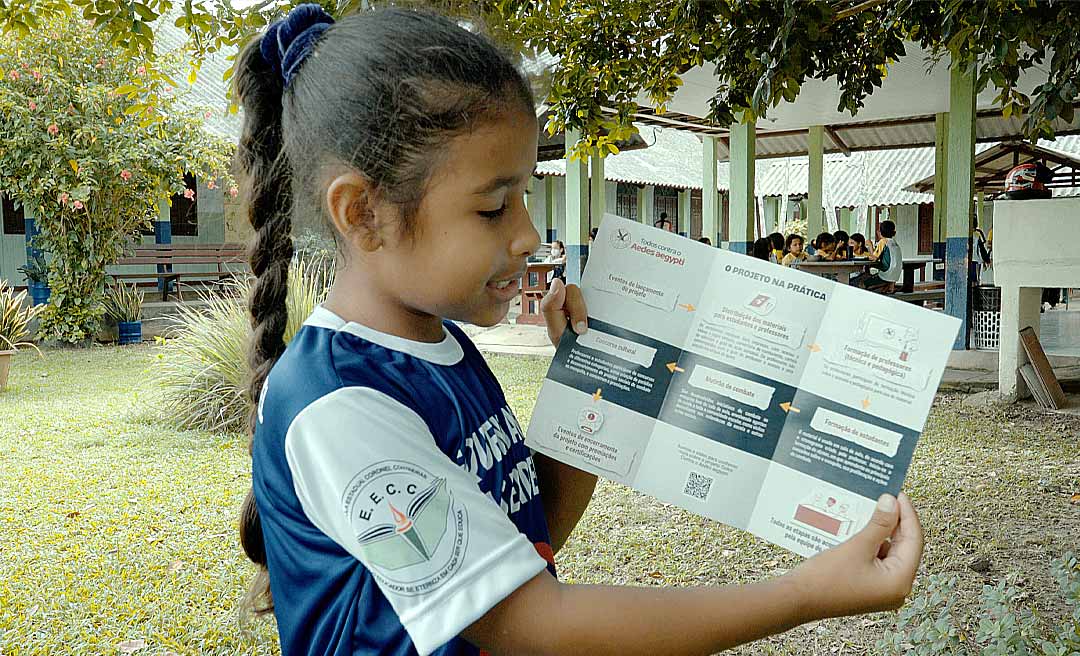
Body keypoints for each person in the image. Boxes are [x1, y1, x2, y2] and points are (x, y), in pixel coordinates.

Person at [235, 6, 924, 656]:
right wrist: (802, 593)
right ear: (364, 213)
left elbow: (527, 540)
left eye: (526, 197)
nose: (529, 234)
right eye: (493, 207)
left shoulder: (442, 352)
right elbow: (534, 625)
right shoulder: (340, 405)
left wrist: (592, 389)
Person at [854, 220, 903, 292]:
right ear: (893, 232)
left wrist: (870, 246)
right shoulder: (894, 243)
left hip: (886, 273)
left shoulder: (883, 242)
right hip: (895, 275)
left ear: (880, 232)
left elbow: (874, 258)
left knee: (862, 284)